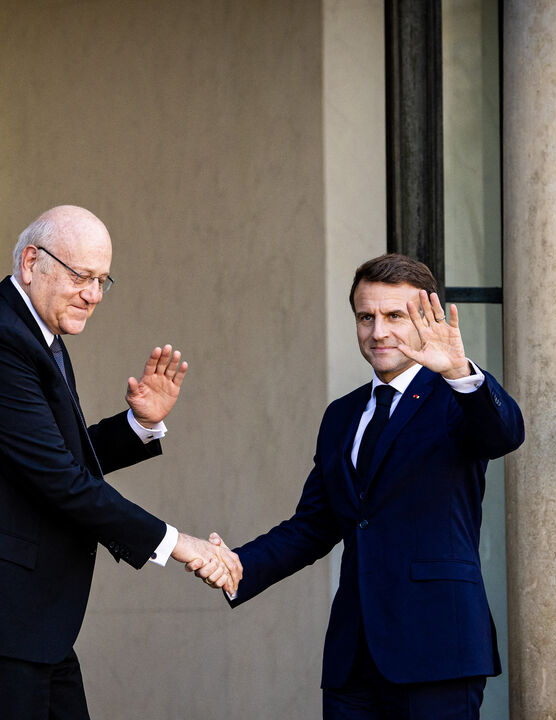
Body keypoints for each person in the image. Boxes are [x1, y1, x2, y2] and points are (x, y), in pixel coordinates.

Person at [0, 204, 241, 720]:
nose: (92, 294)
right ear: (30, 261)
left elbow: (50, 457)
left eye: (103, 281)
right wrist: (177, 544)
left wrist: (139, 426)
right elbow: (58, 478)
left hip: (29, 617)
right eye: (81, 276)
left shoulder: (31, 332)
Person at [210, 253, 524, 719]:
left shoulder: (455, 397)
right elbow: (314, 525)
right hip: (352, 658)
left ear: (425, 317)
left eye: (394, 316)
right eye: (366, 317)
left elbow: (503, 434)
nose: (378, 332)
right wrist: (239, 565)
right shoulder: (342, 415)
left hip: (436, 648)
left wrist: (459, 372)